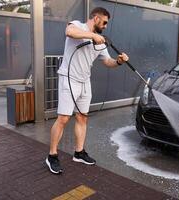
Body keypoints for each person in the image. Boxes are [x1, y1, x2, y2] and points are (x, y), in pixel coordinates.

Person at [46, 7, 129, 174]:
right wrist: (92, 35)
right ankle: (52, 156)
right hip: (69, 78)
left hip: (85, 82)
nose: (105, 26)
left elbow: (107, 62)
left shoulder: (101, 41)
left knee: (82, 118)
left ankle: (79, 152)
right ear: (96, 18)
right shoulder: (78, 26)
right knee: (63, 119)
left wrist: (119, 61)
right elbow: (69, 31)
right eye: (104, 22)